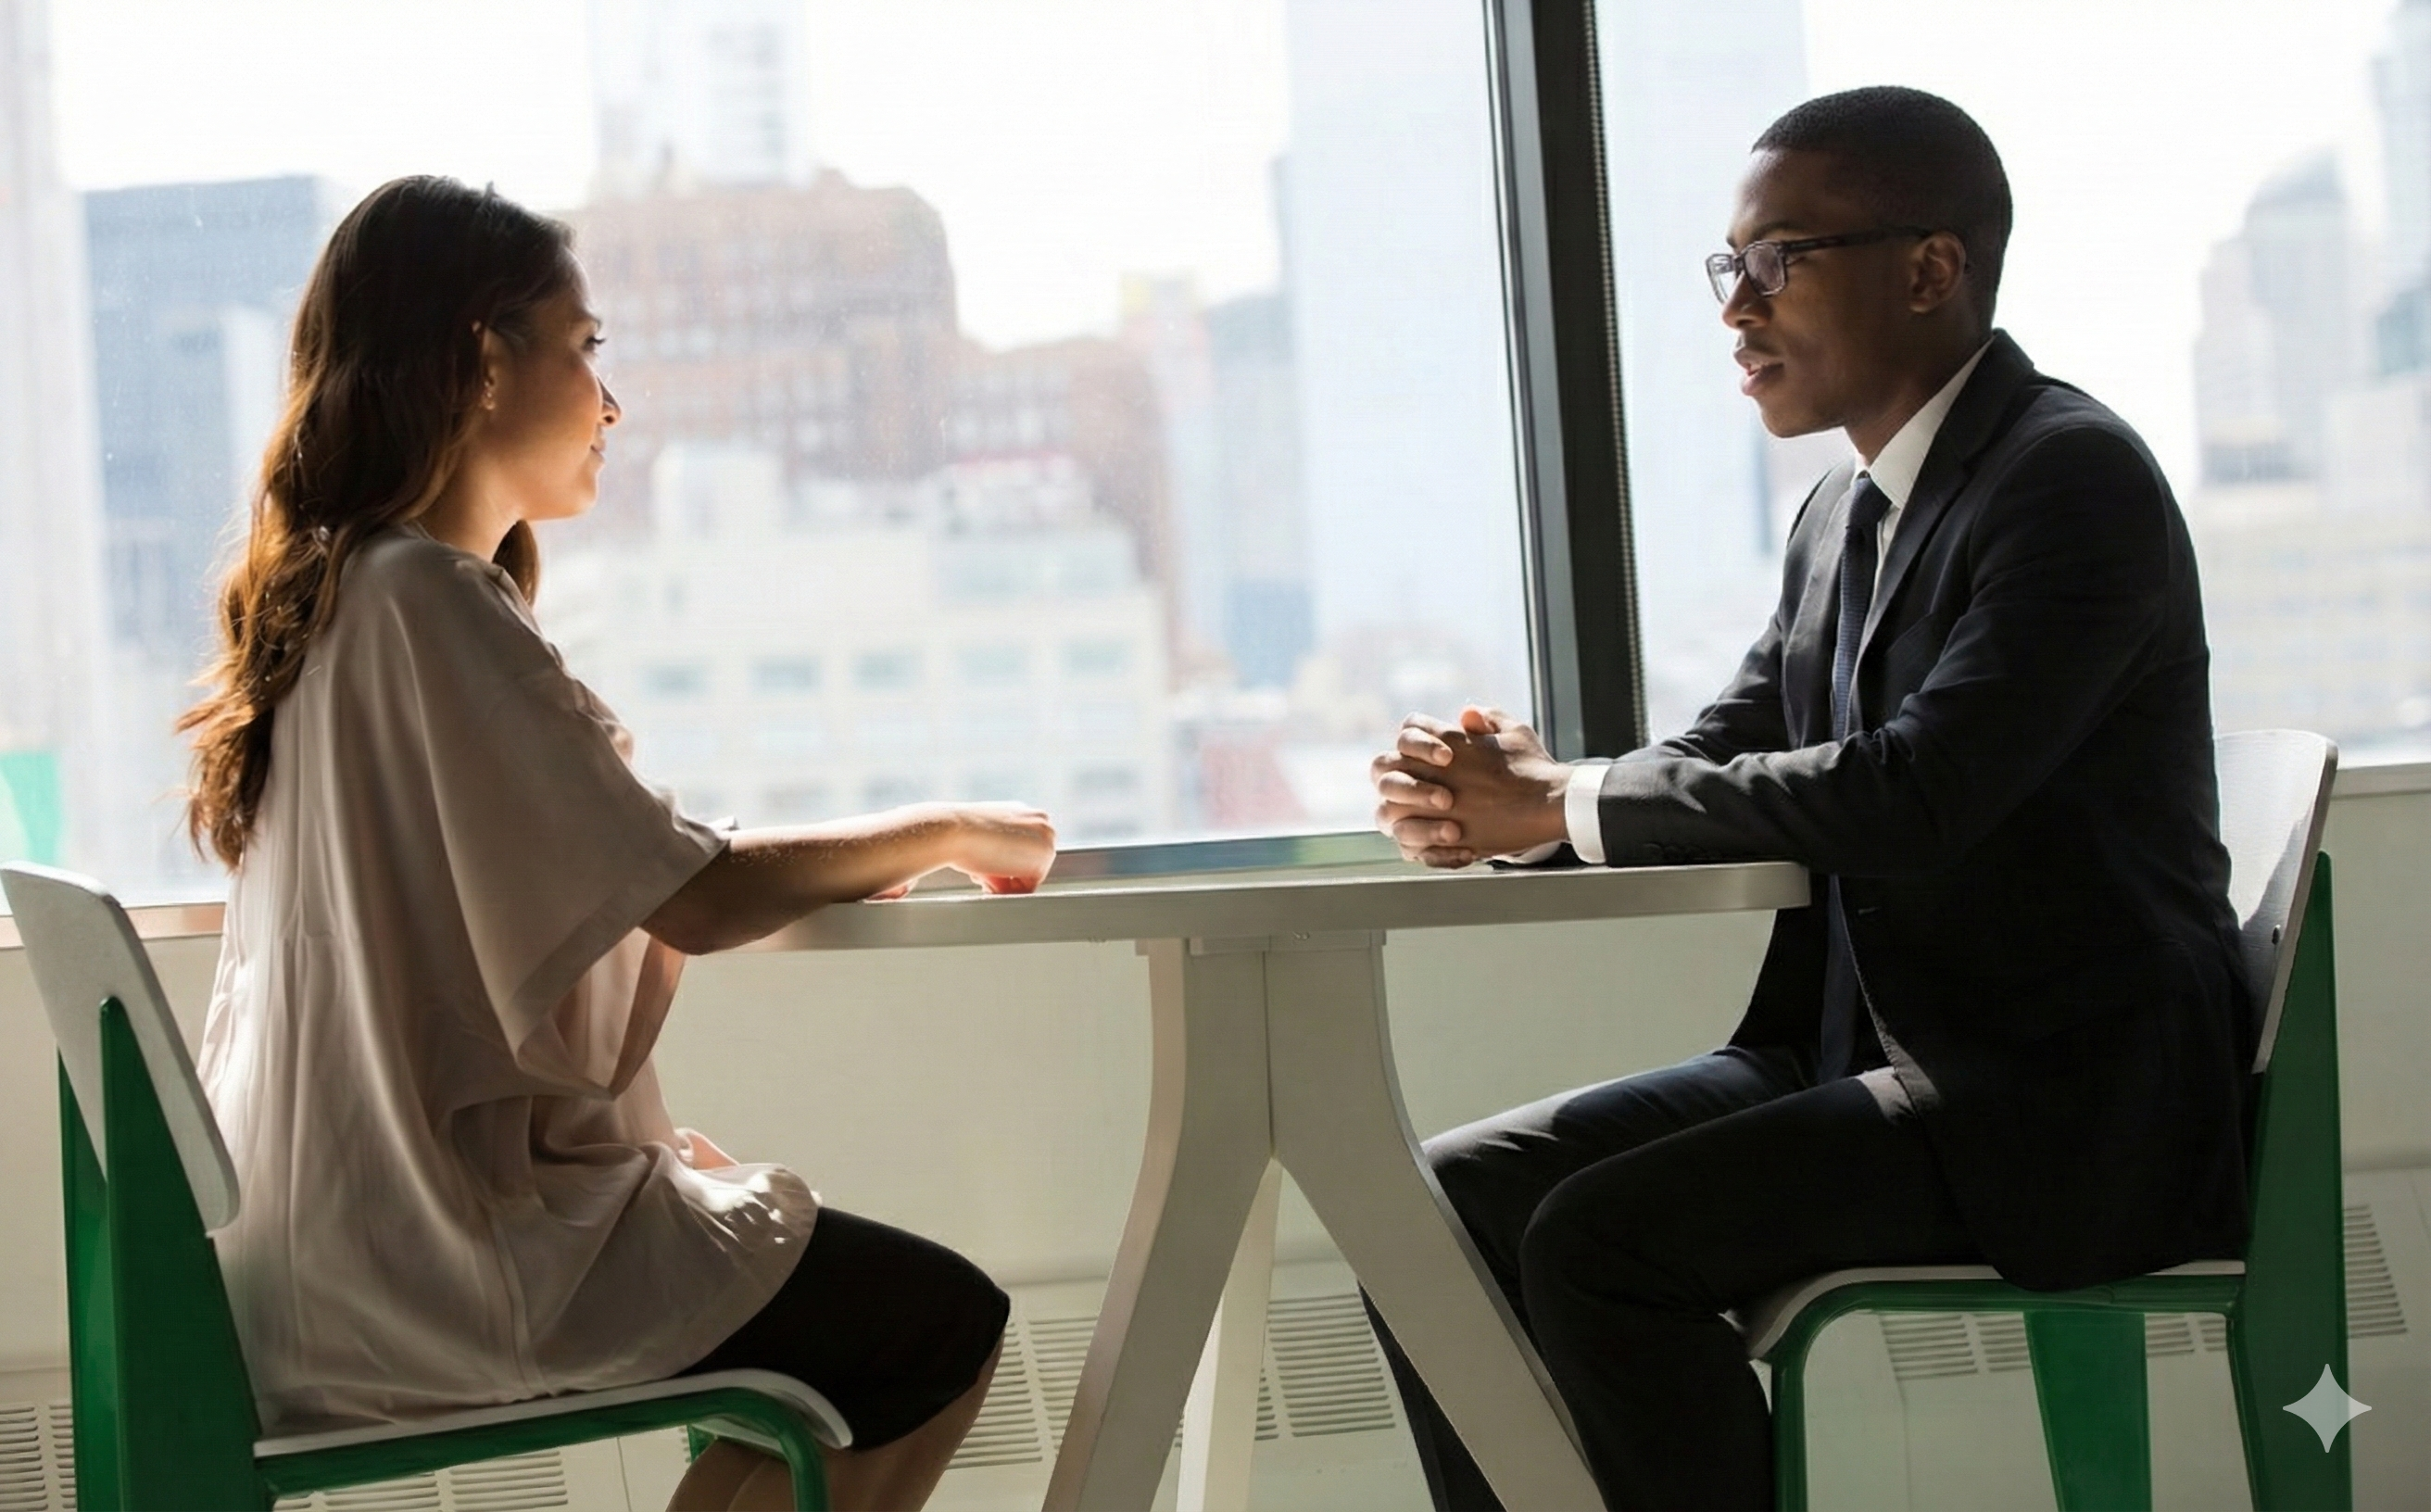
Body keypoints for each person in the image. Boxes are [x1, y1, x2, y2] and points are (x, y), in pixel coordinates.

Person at [1367, 87, 2251, 1512]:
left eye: (1780, 260)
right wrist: (1505, 819)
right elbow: (1734, 754)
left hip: (2046, 1103)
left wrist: (1563, 801)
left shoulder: (2070, 481)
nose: (1737, 310)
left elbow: (1916, 793)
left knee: (1600, 1245)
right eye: (1731, 268)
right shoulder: (1842, 515)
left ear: (1929, 268)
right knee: (1435, 1211)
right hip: (1863, 1056)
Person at [181, 176, 1056, 1512]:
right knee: (928, 1327)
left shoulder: (347, 599)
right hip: (430, 1266)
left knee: (830, 1356)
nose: (612, 399)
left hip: (329, 1251)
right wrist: (948, 828)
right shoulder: (423, 599)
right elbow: (693, 894)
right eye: (586, 349)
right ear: (484, 360)